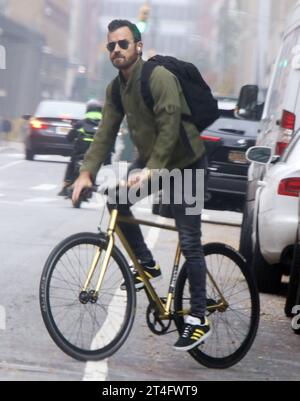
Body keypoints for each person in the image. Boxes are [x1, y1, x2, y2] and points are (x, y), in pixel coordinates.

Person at [72, 19, 211, 352]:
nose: (116, 50)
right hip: (152, 163)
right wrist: (86, 172)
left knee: (190, 240)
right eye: (111, 46)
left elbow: (169, 124)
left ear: (138, 46)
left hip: (186, 163)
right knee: (117, 200)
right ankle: (147, 264)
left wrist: (151, 170)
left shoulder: (158, 77)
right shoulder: (115, 89)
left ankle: (200, 318)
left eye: (123, 43)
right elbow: (105, 132)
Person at [58, 99, 103, 196]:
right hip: (96, 155)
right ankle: (92, 183)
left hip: (79, 153)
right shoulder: (103, 125)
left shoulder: (80, 123)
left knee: (71, 164)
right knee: (96, 167)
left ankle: (66, 184)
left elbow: (69, 137)